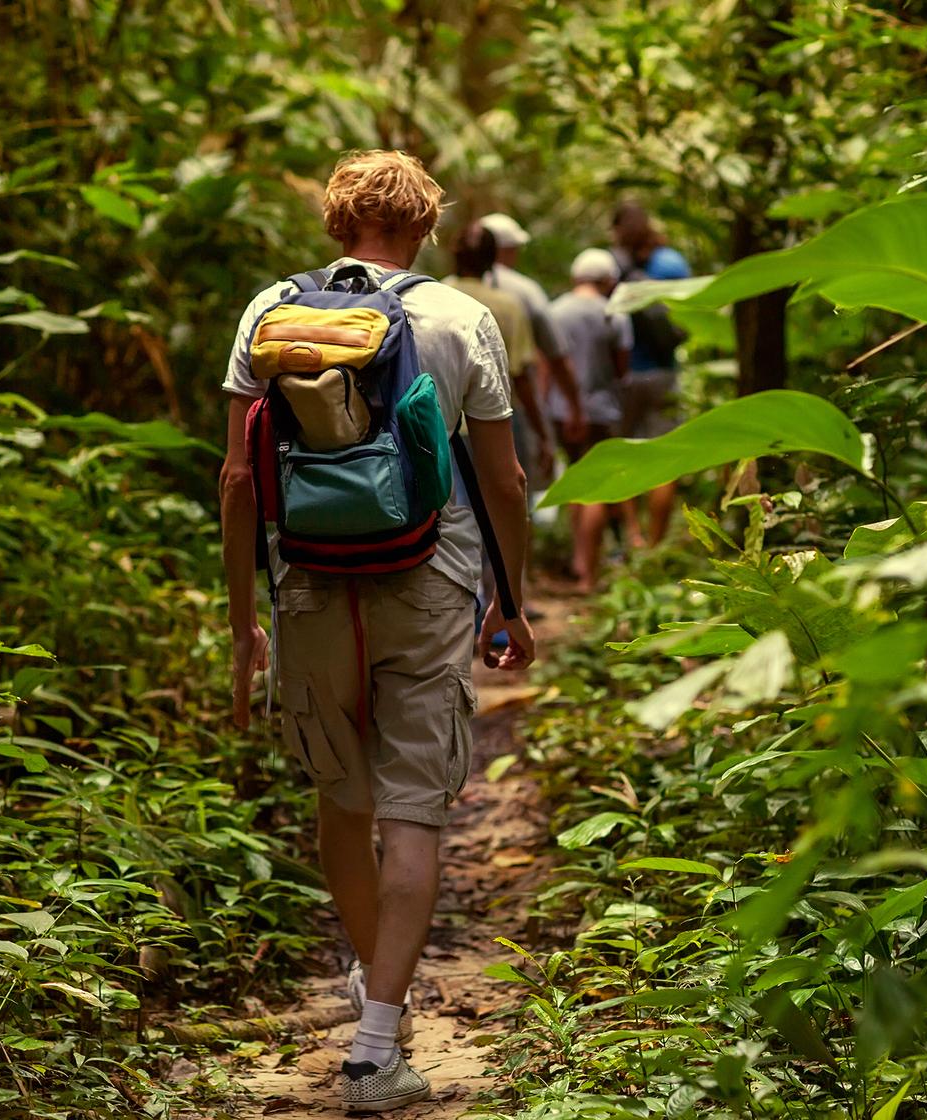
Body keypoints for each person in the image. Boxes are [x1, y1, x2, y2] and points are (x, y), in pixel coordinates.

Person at [219, 150, 537, 1113]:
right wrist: (509, 600)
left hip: (311, 584)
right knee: (413, 809)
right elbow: (506, 482)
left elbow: (238, 481)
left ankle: (372, 999)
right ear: (426, 225)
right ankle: (377, 1047)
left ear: (333, 221)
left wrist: (244, 625)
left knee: (342, 800)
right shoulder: (460, 316)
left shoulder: (270, 312)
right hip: (430, 582)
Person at [547, 248, 630, 593]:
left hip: (559, 409)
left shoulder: (555, 311)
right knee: (595, 487)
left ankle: (578, 560)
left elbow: (546, 363)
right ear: (608, 280)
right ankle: (588, 574)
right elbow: (622, 367)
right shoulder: (615, 313)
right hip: (599, 409)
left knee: (573, 480)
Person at [610, 200, 691, 548]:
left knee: (620, 456)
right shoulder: (671, 263)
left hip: (625, 375)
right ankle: (656, 545)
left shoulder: (612, 265)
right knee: (663, 460)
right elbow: (688, 315)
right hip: (663, 373)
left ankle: (633, 535)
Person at [443, 223, 549, 488]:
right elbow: (521, 376)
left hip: (442, 427)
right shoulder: (508, 306)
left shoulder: (434, 296)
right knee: (506, 507)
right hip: (498, 427)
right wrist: (541, 432)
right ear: (492, 260)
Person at [478, 211, 587, 466]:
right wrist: (575, 406)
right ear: (505, 250)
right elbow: (556, 354)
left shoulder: (451, 286)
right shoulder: (525, 291)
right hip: (513, 407)